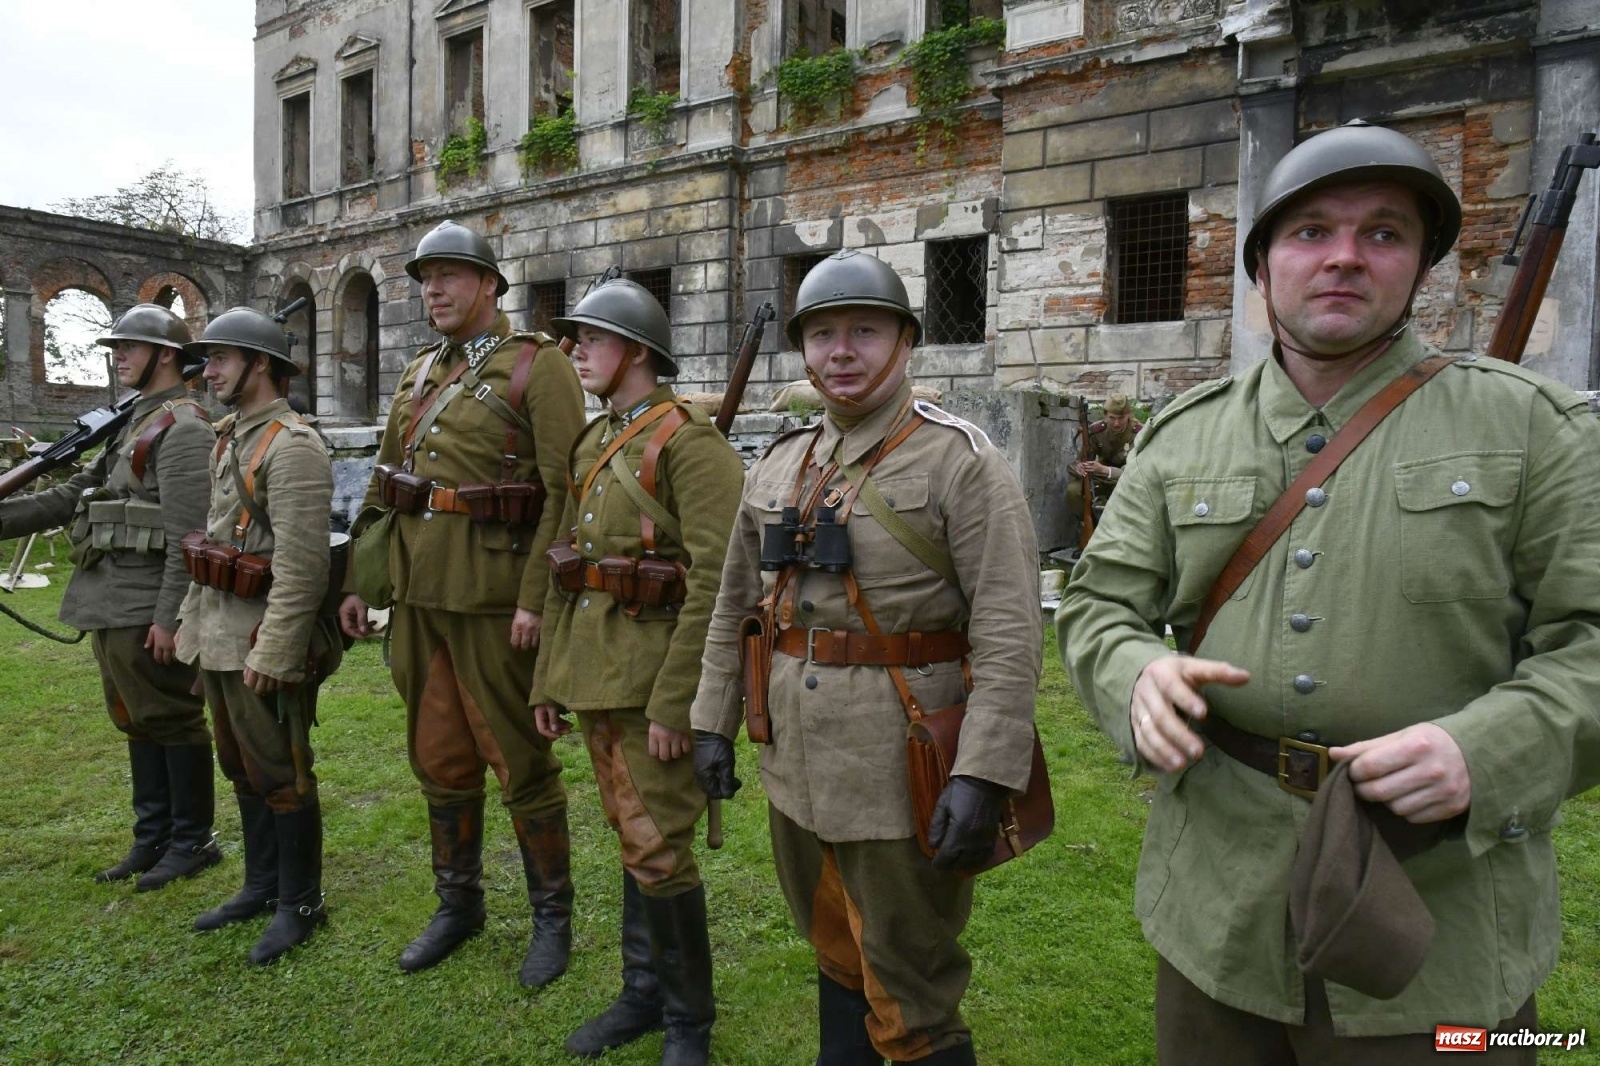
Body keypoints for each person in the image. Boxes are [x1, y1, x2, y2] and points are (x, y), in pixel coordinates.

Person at [1057, 120, 1600, 1063]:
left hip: (1442, 928)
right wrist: (1135, 673)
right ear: (1262, 267)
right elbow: (1101, 605)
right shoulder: (1183, 434)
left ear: (1420, 265)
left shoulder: (1538, 430)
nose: (1345, 256)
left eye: (1383, 233)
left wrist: (1488, 751)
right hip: (1218, 909)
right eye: (1310, 232)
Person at [690, 249, 1042, 1065]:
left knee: (909, 982)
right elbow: (734, 604)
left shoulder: (960, 461)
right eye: (820, 334)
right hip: (795, 762)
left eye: (863, 331)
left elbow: (1010, 628)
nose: (840, 352)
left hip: (903, 766)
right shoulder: (780, 461)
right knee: (833, 948)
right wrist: (711, 719)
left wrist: (985, 773)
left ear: (905, 342)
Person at [338, 220, 586, 983]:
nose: (433, 290)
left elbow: (563, 492)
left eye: (449, 275)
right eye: (425, 278)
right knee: (439, 757)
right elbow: (384, 484)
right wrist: (358, 579)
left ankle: (552, 917)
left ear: (489, 285)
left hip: (493, 597)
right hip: (417, 596)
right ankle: (459, 904)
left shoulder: (536, 367)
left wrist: (537, 601)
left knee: (519, 758)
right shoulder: (418, 373)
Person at [530, 278, 743, 1065]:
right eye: (575, 336)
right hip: (595, 672)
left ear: (639, 350)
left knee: (659, 844)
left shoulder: (690, 442)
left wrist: (678, 703)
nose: (576, 349)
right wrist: (548, 680)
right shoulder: (594, 443)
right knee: (631, 835)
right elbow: (569, 569)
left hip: (654, 682)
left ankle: (688, 1021)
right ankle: (643, 994)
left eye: (591, 336)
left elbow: (718, 580)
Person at [0, 303, 221, 891]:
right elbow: (70, 495)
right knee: (134, 719)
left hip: (145, 601)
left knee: (171, 718)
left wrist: (171, 617)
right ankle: (152, 838)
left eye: (128, 346)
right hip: (110, 596)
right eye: (115, 346)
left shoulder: (185, 428)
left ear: (166, 355)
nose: (116, 355)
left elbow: (188, 536)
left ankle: (193, 840)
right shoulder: (132, 420)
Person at [176, 307, 339, 965]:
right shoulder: (231, 436)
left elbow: (303, 568)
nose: (207, 369)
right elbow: (213, 544)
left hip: (259, 640)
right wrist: (193, 631)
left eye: (220, 357)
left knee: (281, 772)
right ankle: (261, 884)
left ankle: (300, 902)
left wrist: (275, 652)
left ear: (261, 364)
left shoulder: (292, 446)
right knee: (239, 765)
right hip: (220, 635)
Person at [1065, 392, 1142, 535]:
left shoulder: (1138, 434)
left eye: (1121, 418)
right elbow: (1079, 460)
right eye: (1112, 418)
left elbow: (1137, 470)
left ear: (1129, 416)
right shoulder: (1096, 432)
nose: (1117, 423)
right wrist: (1080, 467)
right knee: (1073, 490)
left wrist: (1106, 470)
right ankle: (1089, 529)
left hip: (1129, 480)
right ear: (1105, 415)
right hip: (1101, 477)